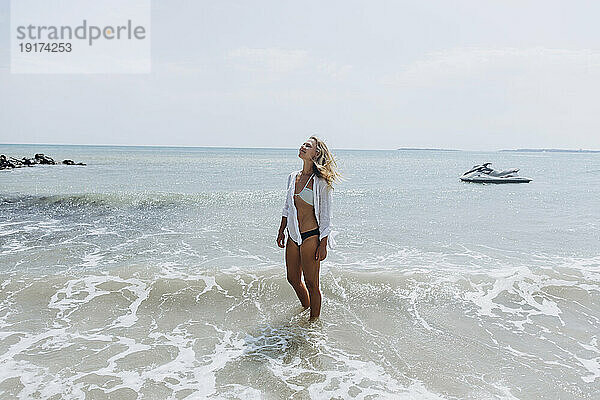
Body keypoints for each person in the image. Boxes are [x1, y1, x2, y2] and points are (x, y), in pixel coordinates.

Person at [277, 136, 340, 321]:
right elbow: (287, 207)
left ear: (316, 153)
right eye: (303, 144)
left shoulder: (321, 182)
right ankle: (306, 308)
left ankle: (313, 325)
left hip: (311, 237)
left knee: (312, 284)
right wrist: (281, 230)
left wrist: (323, 244)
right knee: (293, 279)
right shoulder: (292, 177)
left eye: (308, 146)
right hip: (293, 235)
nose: (302, 147)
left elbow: (326, 216)